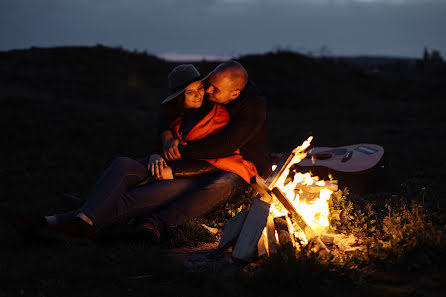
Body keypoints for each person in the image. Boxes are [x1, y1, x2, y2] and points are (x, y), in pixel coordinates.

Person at [15, 61, 270, 243]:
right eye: (200, 88)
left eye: (207, 89)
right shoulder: (193, 101)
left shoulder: (235, 112)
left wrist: (176, 164)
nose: (204, 92)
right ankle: (81, 219)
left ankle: (57, 221)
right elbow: (168, 112)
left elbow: (222, 154)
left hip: (197, 172)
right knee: (123, 165)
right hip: (173, 164)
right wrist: (162, 143)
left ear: (234, 93)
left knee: (137, 198)